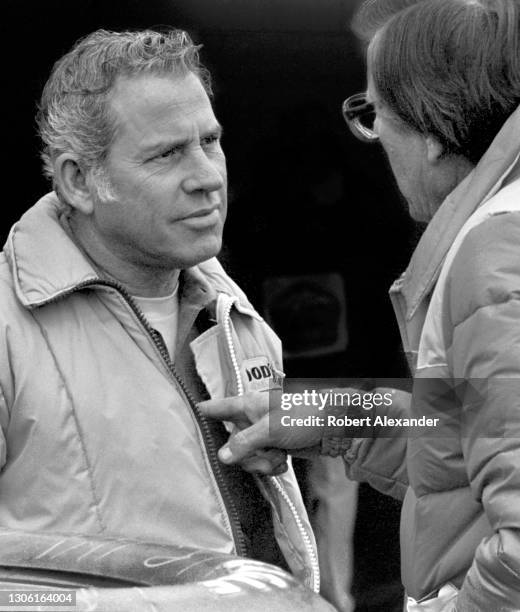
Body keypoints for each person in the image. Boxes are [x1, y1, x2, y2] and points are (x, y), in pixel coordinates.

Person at [200, 0, 520, 609]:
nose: (372, 141)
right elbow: (463, 429)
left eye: (374, 113)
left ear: (429, 129)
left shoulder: (496, 248)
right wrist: (329, 414)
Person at [0, 28, 319, 592]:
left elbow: (469, 424)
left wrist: (338, 417)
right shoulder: (7, 326)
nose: (207, 177)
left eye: (211, 141)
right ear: (79, 181)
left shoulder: (233, 311)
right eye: (168, 153)